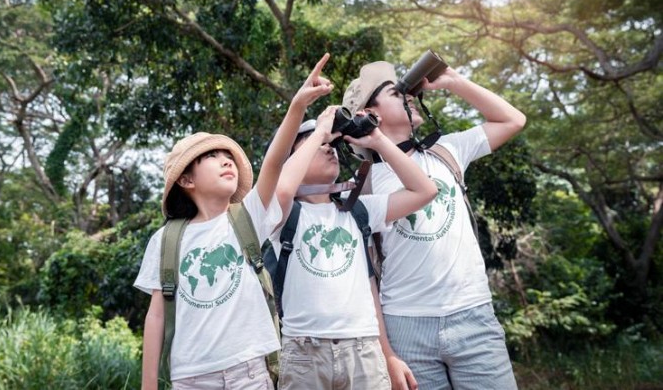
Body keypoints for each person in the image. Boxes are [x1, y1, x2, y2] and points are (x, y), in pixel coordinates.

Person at [133, 54, 334, 390]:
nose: (225, 161)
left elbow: (273, 163)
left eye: (228, 156)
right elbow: (156, 315)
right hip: (191, 379)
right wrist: (148, 385)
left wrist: (296, 107)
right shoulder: (166, 240)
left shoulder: (247, 217)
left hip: (250, 374)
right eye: (211, 157)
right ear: (186, 180)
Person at [342, 61, 527, 390]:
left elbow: (513, 120)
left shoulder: (447, 151)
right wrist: (387, 353)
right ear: (372, 113)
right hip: (405, 324)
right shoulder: (363, 184)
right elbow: (365, 276)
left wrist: (454, 81)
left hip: (473, 314)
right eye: (396, 93)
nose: (409, 97)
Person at [265, 90, 438, 388]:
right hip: (305, 351)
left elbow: (425, 191)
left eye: (333, 144)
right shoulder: (279, 213)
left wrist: (377, 141)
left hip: (364, 348)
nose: (329, 148)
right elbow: (281, 189)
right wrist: (320, 129)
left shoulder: (356, 208)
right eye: (317, 145)